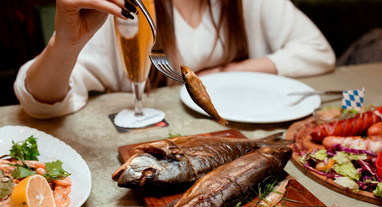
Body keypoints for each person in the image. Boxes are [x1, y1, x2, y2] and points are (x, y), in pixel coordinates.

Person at [14, 0, 336, 119]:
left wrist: (228, 71)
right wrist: (67, 44)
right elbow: (39, 101)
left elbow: (318, 52)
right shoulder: (125, 7)